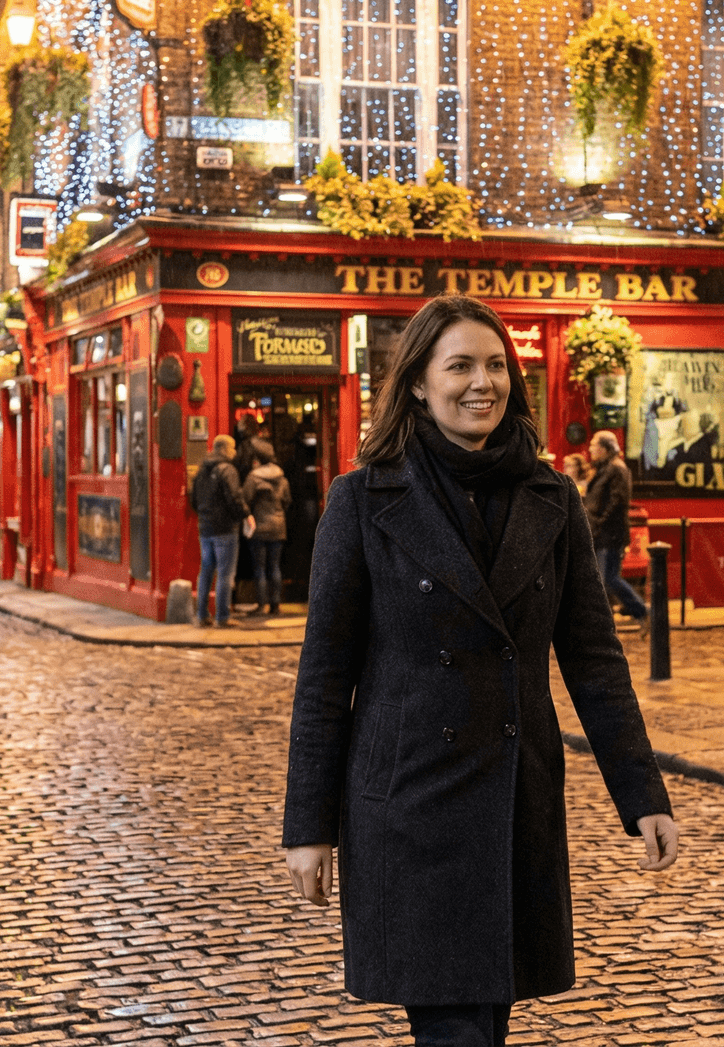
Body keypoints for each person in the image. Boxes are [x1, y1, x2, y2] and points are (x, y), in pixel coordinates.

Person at [283, 294, 680, 1047]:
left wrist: (642, 793)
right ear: (419, 385)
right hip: (408, 807)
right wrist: (309, 825)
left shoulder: (551, 497)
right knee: (456, 1025)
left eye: (495, 365)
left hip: (513, 802)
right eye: (460, 365)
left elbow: (595, 661)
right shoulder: (363, 500)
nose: (481, 382)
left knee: (484, 1017)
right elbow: (324, 678)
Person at [583, 431, 647, 629]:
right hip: (601, 534)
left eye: (594, 445)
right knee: (603, 581)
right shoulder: (605, 468)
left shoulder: (616, 469)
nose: (591, 449)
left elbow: (616, 502)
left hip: (609, 535)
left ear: (604, 448)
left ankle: (644, 612)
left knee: (609, 579)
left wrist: (599, 524)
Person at [190, 434, 250, 627]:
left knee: (206, 571)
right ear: (224, 449)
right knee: (225, 573)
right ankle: (222, 616)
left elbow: (194, 499)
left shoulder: (201, 469)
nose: (234, 452)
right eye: (232, 448)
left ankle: (202, 615)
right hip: (225, 529)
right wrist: (245, 515)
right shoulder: (227, 469)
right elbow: (235, 497)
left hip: (205, 529)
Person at [240, 438, 291, 617]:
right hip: (278, 526)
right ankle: (275, 605)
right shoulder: (282, 478)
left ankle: (261, 605)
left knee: (260, 568)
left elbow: (244, 499)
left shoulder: (253, 478)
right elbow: (287, 502)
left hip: (259, 527)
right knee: (275, 566)